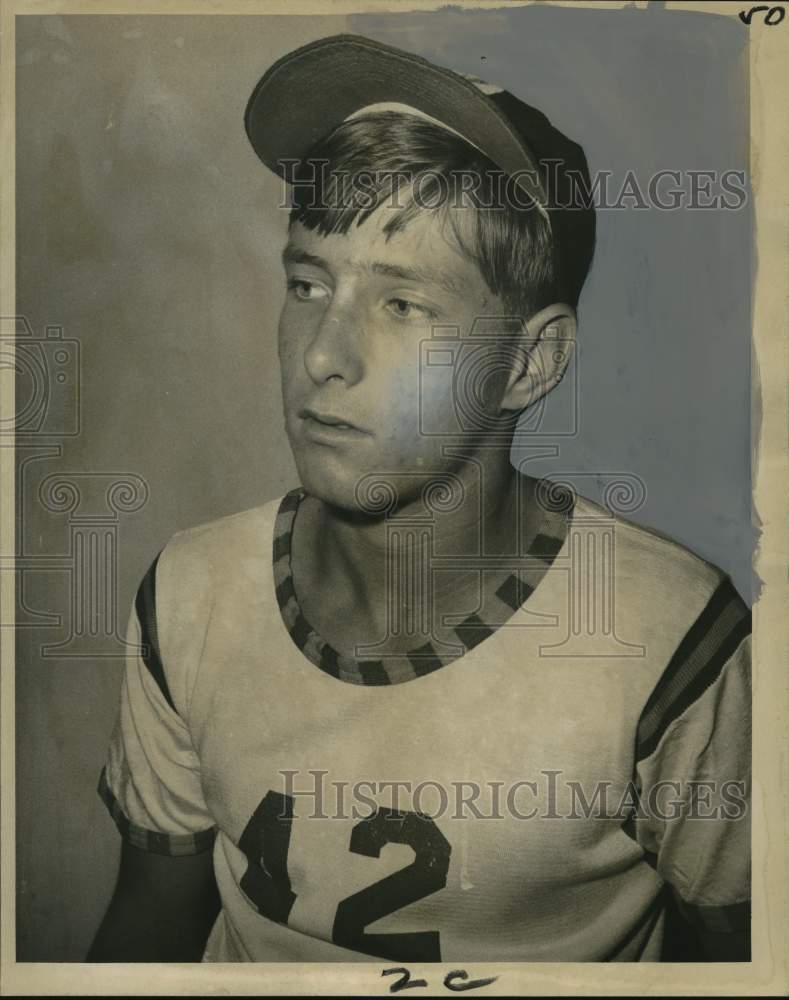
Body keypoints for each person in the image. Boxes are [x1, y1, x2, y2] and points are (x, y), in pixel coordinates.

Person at [87, 34, 751, 963]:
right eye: (308, 283)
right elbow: (146, 929)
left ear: (528, 362)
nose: (322, 354)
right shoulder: (191, 591)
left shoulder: (670, 641)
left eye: (403, 305)